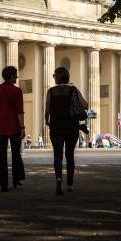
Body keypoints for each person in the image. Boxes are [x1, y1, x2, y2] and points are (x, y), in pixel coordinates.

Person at [45, 66, 89, 194]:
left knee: (57, 155)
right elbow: (85, 105)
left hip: (56, 127)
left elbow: (47, 110)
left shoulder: (51, 91)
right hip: (71, 126)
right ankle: (70, 184)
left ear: (57, 78)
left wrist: (47, 120)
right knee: (70, 155)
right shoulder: (73, 89)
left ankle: (58, 180)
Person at [0, 66, 25, 192]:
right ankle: (17, 179)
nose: (16, 77)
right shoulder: (17, 91)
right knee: (16, 154)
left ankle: (2, 183)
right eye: (15, 75)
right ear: (10, 76)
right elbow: (20, 112)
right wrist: (22, 128)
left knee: (0, 157)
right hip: (14, 127)